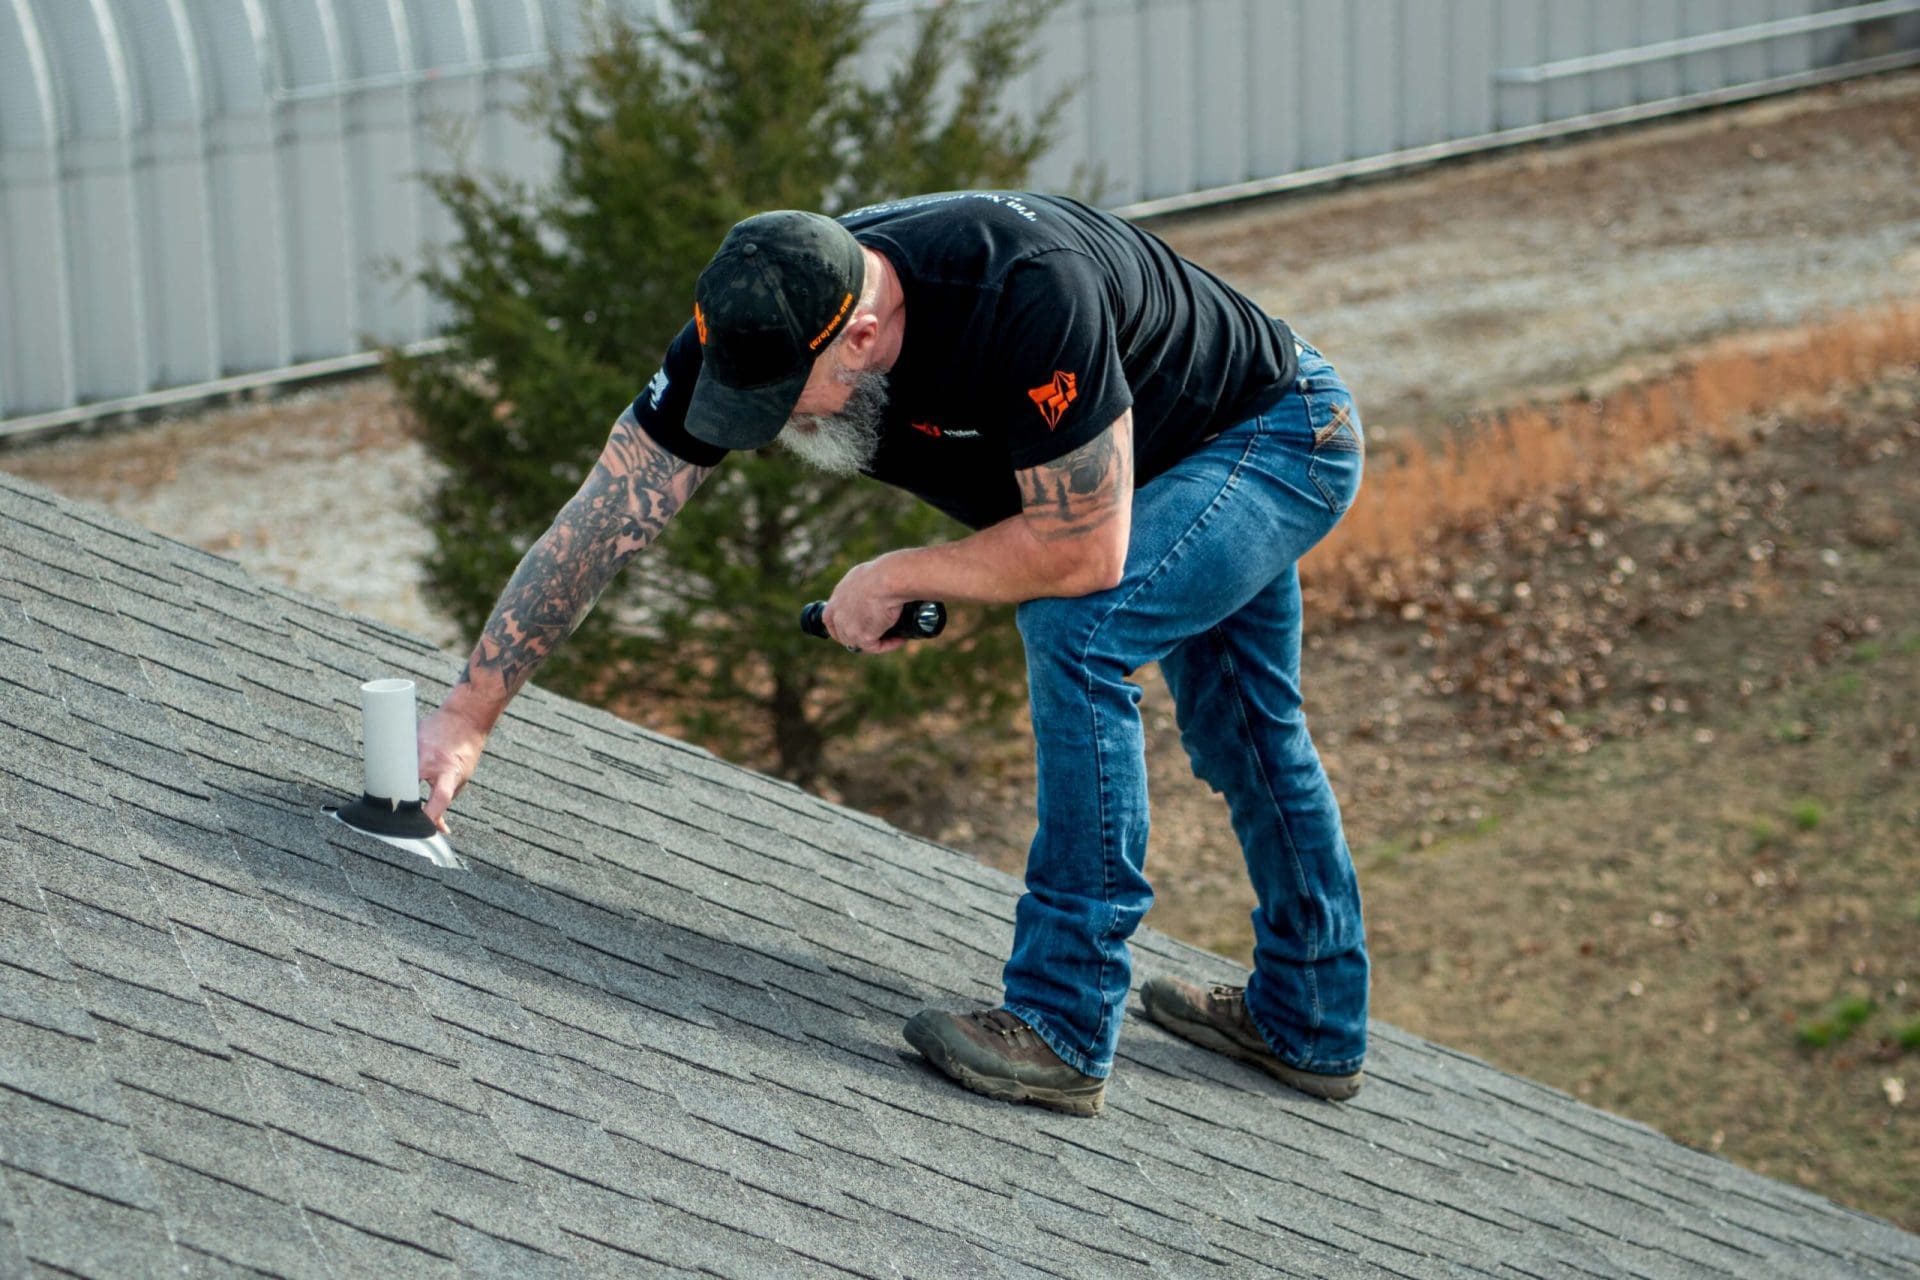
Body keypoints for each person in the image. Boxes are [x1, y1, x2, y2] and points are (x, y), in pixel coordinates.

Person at [417, 191, 1369, 1117]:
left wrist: (902, 572)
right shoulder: (761, 307)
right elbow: (611, 512)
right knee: (1242, 725)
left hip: (1273, 435)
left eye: (789, 400)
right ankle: (1312, 1015)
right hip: (1134, 468)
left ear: (863, 339)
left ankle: (1064, 1025)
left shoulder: (1029, 291)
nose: (776, 422)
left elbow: (1085, 550)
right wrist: (466, 717)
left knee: (1081, 632)